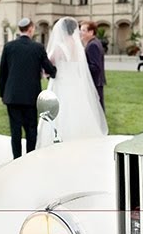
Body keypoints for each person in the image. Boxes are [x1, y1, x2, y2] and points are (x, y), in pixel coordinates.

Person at [36, 17, 108, 148]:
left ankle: (59, 138)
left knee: (60, 111)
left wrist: (47, 72)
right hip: (75, 83)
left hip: (61, 82)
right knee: (77, 108)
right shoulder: (77, 46)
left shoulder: (59, 47)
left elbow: (49, 65)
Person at [0, 18, 57, 159]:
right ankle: (29, 159)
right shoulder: (38, 47)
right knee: (31, 130)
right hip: (31, 96)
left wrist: (2, 94)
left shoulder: (9, 46)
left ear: (20, 29)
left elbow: (2, 73)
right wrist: (54, 69)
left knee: (15, 131)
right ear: (30, 29)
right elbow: (49, 68)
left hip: (12, 96)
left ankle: (16, 159)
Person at [79, 20, 107, 110]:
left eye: (83, 30)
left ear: (91, 32)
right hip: (95, 81)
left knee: (97, 108)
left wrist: (80, 66)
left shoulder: (92, 45)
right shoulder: (93, 43)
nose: (80, 33)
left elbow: (95, 67)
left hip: (95, 82)